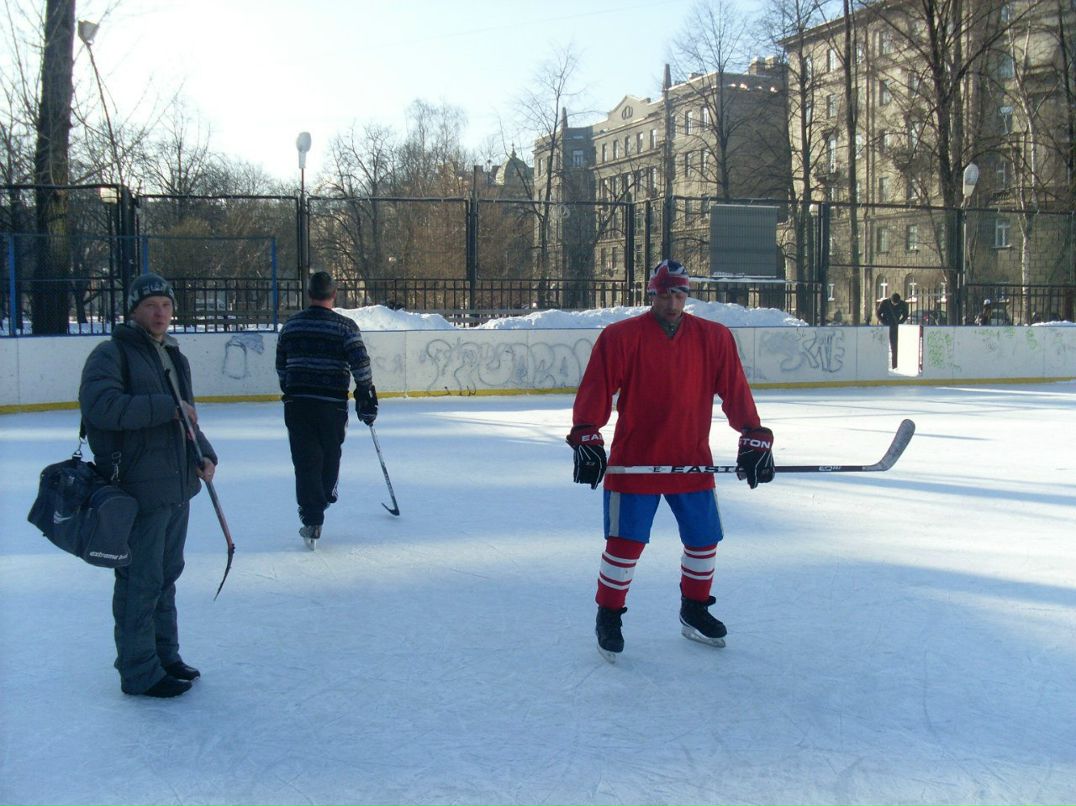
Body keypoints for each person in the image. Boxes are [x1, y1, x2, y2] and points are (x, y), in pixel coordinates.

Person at [567, 259, 774, 662]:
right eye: (665, 294)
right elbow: (596, 388)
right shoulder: (621, 337)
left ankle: (695, 610)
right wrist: (586, 433)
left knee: (703, 540)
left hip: (691, 459)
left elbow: (734, 389)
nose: (673, 302)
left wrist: (753, 433)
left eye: (680, 294)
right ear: (652, 293)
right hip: (635, 462)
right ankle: (609, 615)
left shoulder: (714, 338)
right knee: (624, 545)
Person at [79, 272, 217, 698]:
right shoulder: (111, 354)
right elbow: (102, 408)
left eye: (166, 306)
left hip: (176, 486)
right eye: (151, 306)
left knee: (166, 574)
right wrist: (167, 408)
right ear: (134, 311)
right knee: (140, 579)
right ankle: (139, 671)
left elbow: (187, 417)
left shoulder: (174, 356)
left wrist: (205, 453)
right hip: (137, 487)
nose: (160, 313)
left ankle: (165, 655)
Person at [276, 271, 377, 549]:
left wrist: (290, 386)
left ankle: (312, 515)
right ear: (334, 295)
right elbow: (360, 361)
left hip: (298, 403)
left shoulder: (291, 326)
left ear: (309, 295)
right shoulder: (345, 327)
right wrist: (365, 391)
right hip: (332, 405)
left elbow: (281, 365)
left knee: (305, 460)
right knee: (331, 452)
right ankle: (322, 499)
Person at [876, 292, 909, 369]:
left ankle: (895, 365)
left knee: (895, 348)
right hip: (885, 326)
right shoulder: (885, 303)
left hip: (895, 327)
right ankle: (880, 366)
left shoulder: (902, 304)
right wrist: (884, 322)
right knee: (882, 347)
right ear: (891, 300)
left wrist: (900, 322)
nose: (895, 304)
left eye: (896, 303)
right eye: (893, 303)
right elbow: (878, 314)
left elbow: (906, 314)